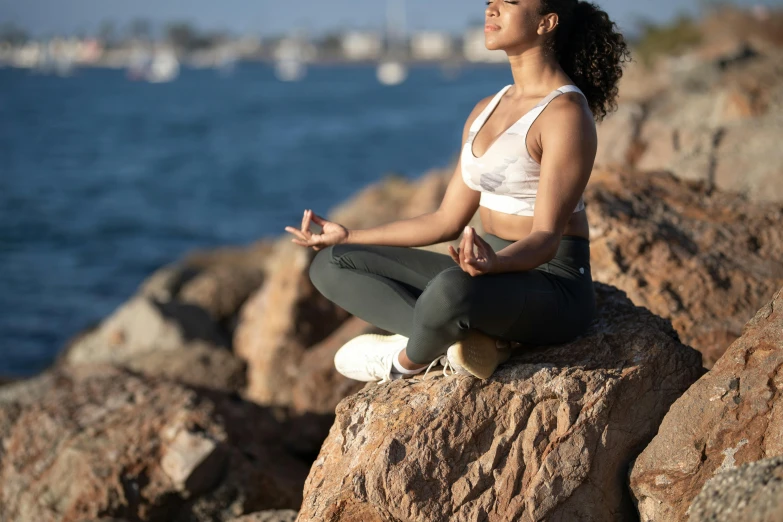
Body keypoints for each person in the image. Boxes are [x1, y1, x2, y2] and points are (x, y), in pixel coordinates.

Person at [285, 0, 630, 383]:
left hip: (551, 283)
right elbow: (446, 220)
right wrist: (350, 235)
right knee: (333, 262)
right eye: (490, 3)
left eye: (509, 3)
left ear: (546, 22)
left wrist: (495, 265)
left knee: (451, 289)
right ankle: (463, 339)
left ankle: (405, 362)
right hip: (486, 274)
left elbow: (547, 239)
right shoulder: (487, 108)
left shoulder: (564, 113)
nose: (492, 10)